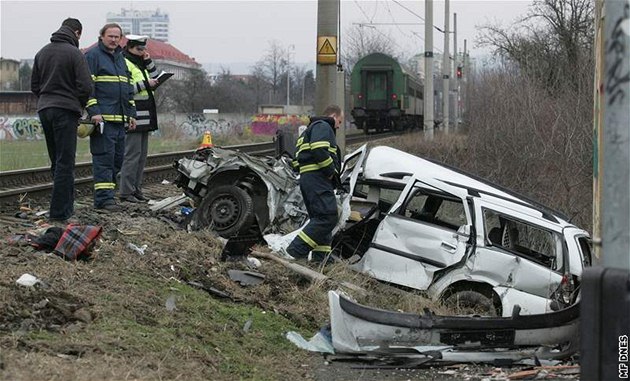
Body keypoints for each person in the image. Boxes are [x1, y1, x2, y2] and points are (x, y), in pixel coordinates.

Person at [31, 18, 93, 222]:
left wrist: (47, 100)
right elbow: (86, 86)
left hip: (45, 109)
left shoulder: (42, 52)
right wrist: (79, 105)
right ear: (77, 33)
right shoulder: (75, 54)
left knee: (56, 161)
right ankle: (59, 214)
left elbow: (35, 86)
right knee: (66, 162)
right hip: (66, 110)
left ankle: (65, 207)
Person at [85, 23, 136, 211]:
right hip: (103, 121)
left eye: (117, 36)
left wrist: (131, 115)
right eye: (110, 36)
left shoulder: (121, 59)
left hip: (120, 121)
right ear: (102, 36)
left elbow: (128, 90)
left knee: (117, 160)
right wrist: (94, 112)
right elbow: (86, 89)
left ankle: (109, 197)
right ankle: (104, 200)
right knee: (103, 159)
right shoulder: (92, 57)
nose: (114, 39)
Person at [286, 105, 344, 264]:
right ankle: (296, 250)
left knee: (320, 218)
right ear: (333, 116)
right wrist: (330, 171)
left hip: (310, 179)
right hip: (318, 178)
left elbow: (297, 161)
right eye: (339, 121)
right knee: (328, 216)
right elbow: (319, 149)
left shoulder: (310, 129)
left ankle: (321, 259)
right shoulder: (323, 126)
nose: (338, 126)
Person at [119, 35, 159, 203]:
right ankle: (126, 192)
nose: (142, 52)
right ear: (130, 47)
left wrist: (149, 62)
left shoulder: (140, 63)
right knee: (132, 156)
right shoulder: (124, 63)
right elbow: (124, 89)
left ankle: (136, 189)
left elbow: (155, 77)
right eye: (139, 49)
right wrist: (145, 84)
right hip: (134, 116)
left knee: (141, 156)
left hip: (146, 116)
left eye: (143, 49)